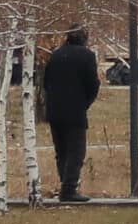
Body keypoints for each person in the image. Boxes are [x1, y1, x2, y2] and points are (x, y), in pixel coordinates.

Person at [41, 27, 102, 202]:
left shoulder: (56, 55)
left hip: (54, 110)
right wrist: (85, 104)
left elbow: (45, 82)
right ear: (84, 38)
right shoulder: (87, 56)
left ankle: (65, 185)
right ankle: (68, 189)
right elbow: (93, 84)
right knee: (76, 151)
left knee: (61, 151)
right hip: (75, 110)